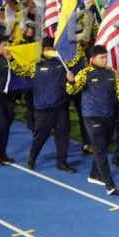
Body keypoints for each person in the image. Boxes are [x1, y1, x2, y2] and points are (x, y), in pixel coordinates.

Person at [66, 45, 119, 195]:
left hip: (108, 116)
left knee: (102, 146)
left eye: (106, 57)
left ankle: (94, 174)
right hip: (91, 116)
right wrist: (71, 82)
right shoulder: (85, 73)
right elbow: (73, 90)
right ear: (93, 59)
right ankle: (110, 184)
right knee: (100, 149)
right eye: (102, 57)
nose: (105, 60)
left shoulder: (112, 73)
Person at [25, 38, 74, 172]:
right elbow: (21, 74)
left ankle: (61, 162)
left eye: (52, 48)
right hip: (43, 109)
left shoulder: (61, 64)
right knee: (41, 136)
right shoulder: (34, 66)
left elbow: (70, 85)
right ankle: (32, 156)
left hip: (60, 107)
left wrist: (72, 81)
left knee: (63, 136)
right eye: (47, 49)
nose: (50, 51)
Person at [0, 37, 31, 165]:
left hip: (9, 97)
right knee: (1, 123)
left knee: (7, 124)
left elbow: (21, 71)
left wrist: (12, 60)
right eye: (4, 45)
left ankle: (3, 152)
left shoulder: (9, 59)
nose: (7, 47)